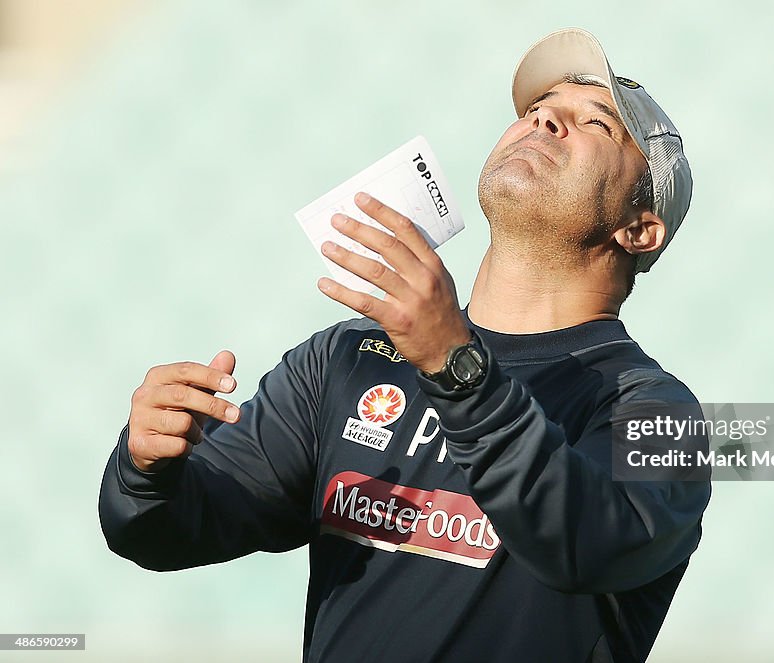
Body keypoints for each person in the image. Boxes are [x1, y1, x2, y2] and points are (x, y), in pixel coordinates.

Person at [99, 27, 710, 663]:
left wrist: (456, 367)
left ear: (639, 230)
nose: (547, 119)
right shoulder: (343, 359)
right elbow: (162, 532)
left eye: (597, 124)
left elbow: (589, 542)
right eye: (537, 109)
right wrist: (147, 470)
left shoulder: (657, 412)